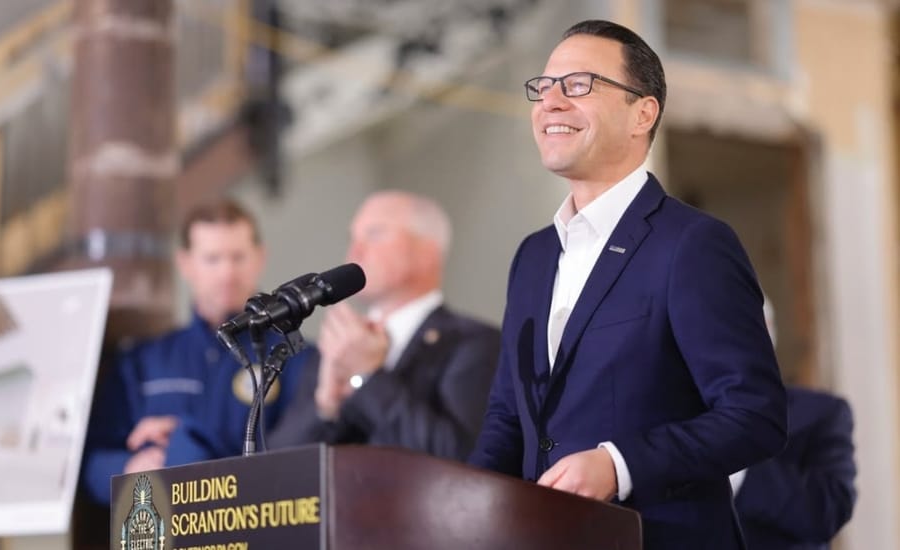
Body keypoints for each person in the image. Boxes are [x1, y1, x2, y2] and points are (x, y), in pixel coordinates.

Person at [468, 19, 787, 549]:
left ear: (643, 112)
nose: (551, 102)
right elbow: (508, 417)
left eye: (577, 85)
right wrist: (463, 508)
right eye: (544, 87)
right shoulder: (534, 255)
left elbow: (754, 415)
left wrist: (620, 465)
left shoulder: (691, 244)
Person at [81, 199, 311, 506]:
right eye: (212, 259)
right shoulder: (143, 362)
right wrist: (130, 467)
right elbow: (93, 459)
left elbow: (301, 460)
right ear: (186, 264)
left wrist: (184, 444)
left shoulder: (295, 357)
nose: (227, 273)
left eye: (238, 257)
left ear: (259, 258)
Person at [269, 190, 500, 460]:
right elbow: (277, 465)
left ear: (427, 252)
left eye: (375, 234)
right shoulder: (336, 349)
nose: (355, 251)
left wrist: (368, 376)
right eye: (352, 238)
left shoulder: (473, 344)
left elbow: (463, 458)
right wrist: (326, 404)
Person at [731, 298, 857, 549]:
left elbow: (831, 510)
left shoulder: (823, 412)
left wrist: (738, 472)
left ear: (767, 329)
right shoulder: (672, 415)